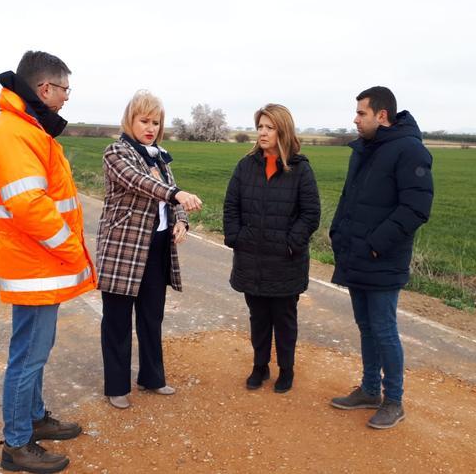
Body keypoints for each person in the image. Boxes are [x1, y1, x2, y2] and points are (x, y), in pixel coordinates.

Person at [0, 50, 97, 473]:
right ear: (46, 88)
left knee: (36, 349)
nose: (67, 97)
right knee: (28, 355)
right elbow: (28, 204)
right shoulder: (14, 131)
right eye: (65, 89)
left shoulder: (27, 127)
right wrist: (70, 248)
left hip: (39, 265)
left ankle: (33, 418)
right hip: (35, 264)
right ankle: (17, 444)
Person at [328, 86, 433, 429]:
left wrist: (376, 244)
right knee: (366, 326)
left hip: (382, 258)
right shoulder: (364, 149)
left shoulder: (409, 150)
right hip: (356, 253)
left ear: (382, 115)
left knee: (384, 330)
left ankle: (394, 401)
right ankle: (370, 390)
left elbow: (416, 207)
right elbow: (350, 198)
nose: (355, 119)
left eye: (361, 113)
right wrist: (338, 233)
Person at [96, 90, 203, 410]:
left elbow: (170, 195)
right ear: (130, 120)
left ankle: (152, 377)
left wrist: (181, 220)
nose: (150, 128)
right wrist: (177, 194)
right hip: (123, 249)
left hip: (157, 246)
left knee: (151, 316)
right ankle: (116, 386)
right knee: (117, 320)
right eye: (144, 121)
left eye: (156, 122)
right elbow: (140, 182)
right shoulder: (116, 152)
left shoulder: (159, 156)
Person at [223, 104, 320, 393]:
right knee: (259, 318)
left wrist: (291, 243)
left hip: (285, 262)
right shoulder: (246, 166)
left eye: (269, 127)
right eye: (260, 127)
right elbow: (231, 206)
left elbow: (310, 214)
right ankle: (260, 366)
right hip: (251, 258)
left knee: (285, 320)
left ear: (283, 131)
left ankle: (286, 370)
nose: (263, 133)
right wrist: (236, 238)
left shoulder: (300, 169)